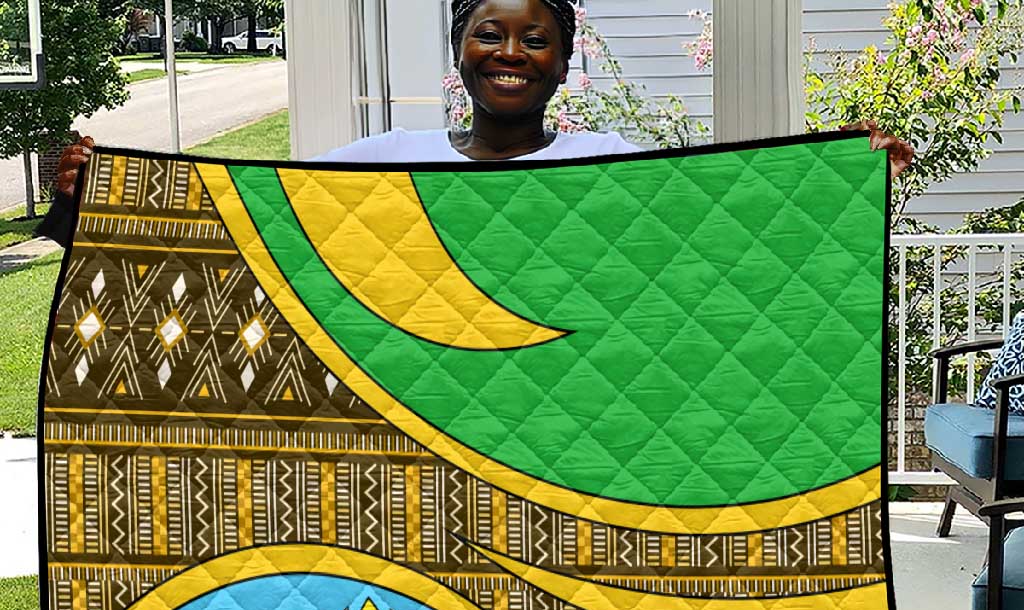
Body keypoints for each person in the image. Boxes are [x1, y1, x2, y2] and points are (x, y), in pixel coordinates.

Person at [41, 0, 913, 246]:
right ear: (459, 51)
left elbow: (731, 225)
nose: (511, 52)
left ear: (563, 64)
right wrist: (100, 194)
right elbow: (250, 222)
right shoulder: (384, 159)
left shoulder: (614, 161)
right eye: (489, 34)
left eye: (536, 39)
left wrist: (843, 176)